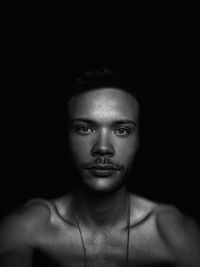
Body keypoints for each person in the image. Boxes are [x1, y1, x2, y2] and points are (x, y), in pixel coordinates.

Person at [0, 67, 200, 267]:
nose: (103, 148)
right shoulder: (26, 227)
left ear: (139, 139)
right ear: (65, 137)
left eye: (121, 130)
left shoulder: (175, 233)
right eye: (84, 128)